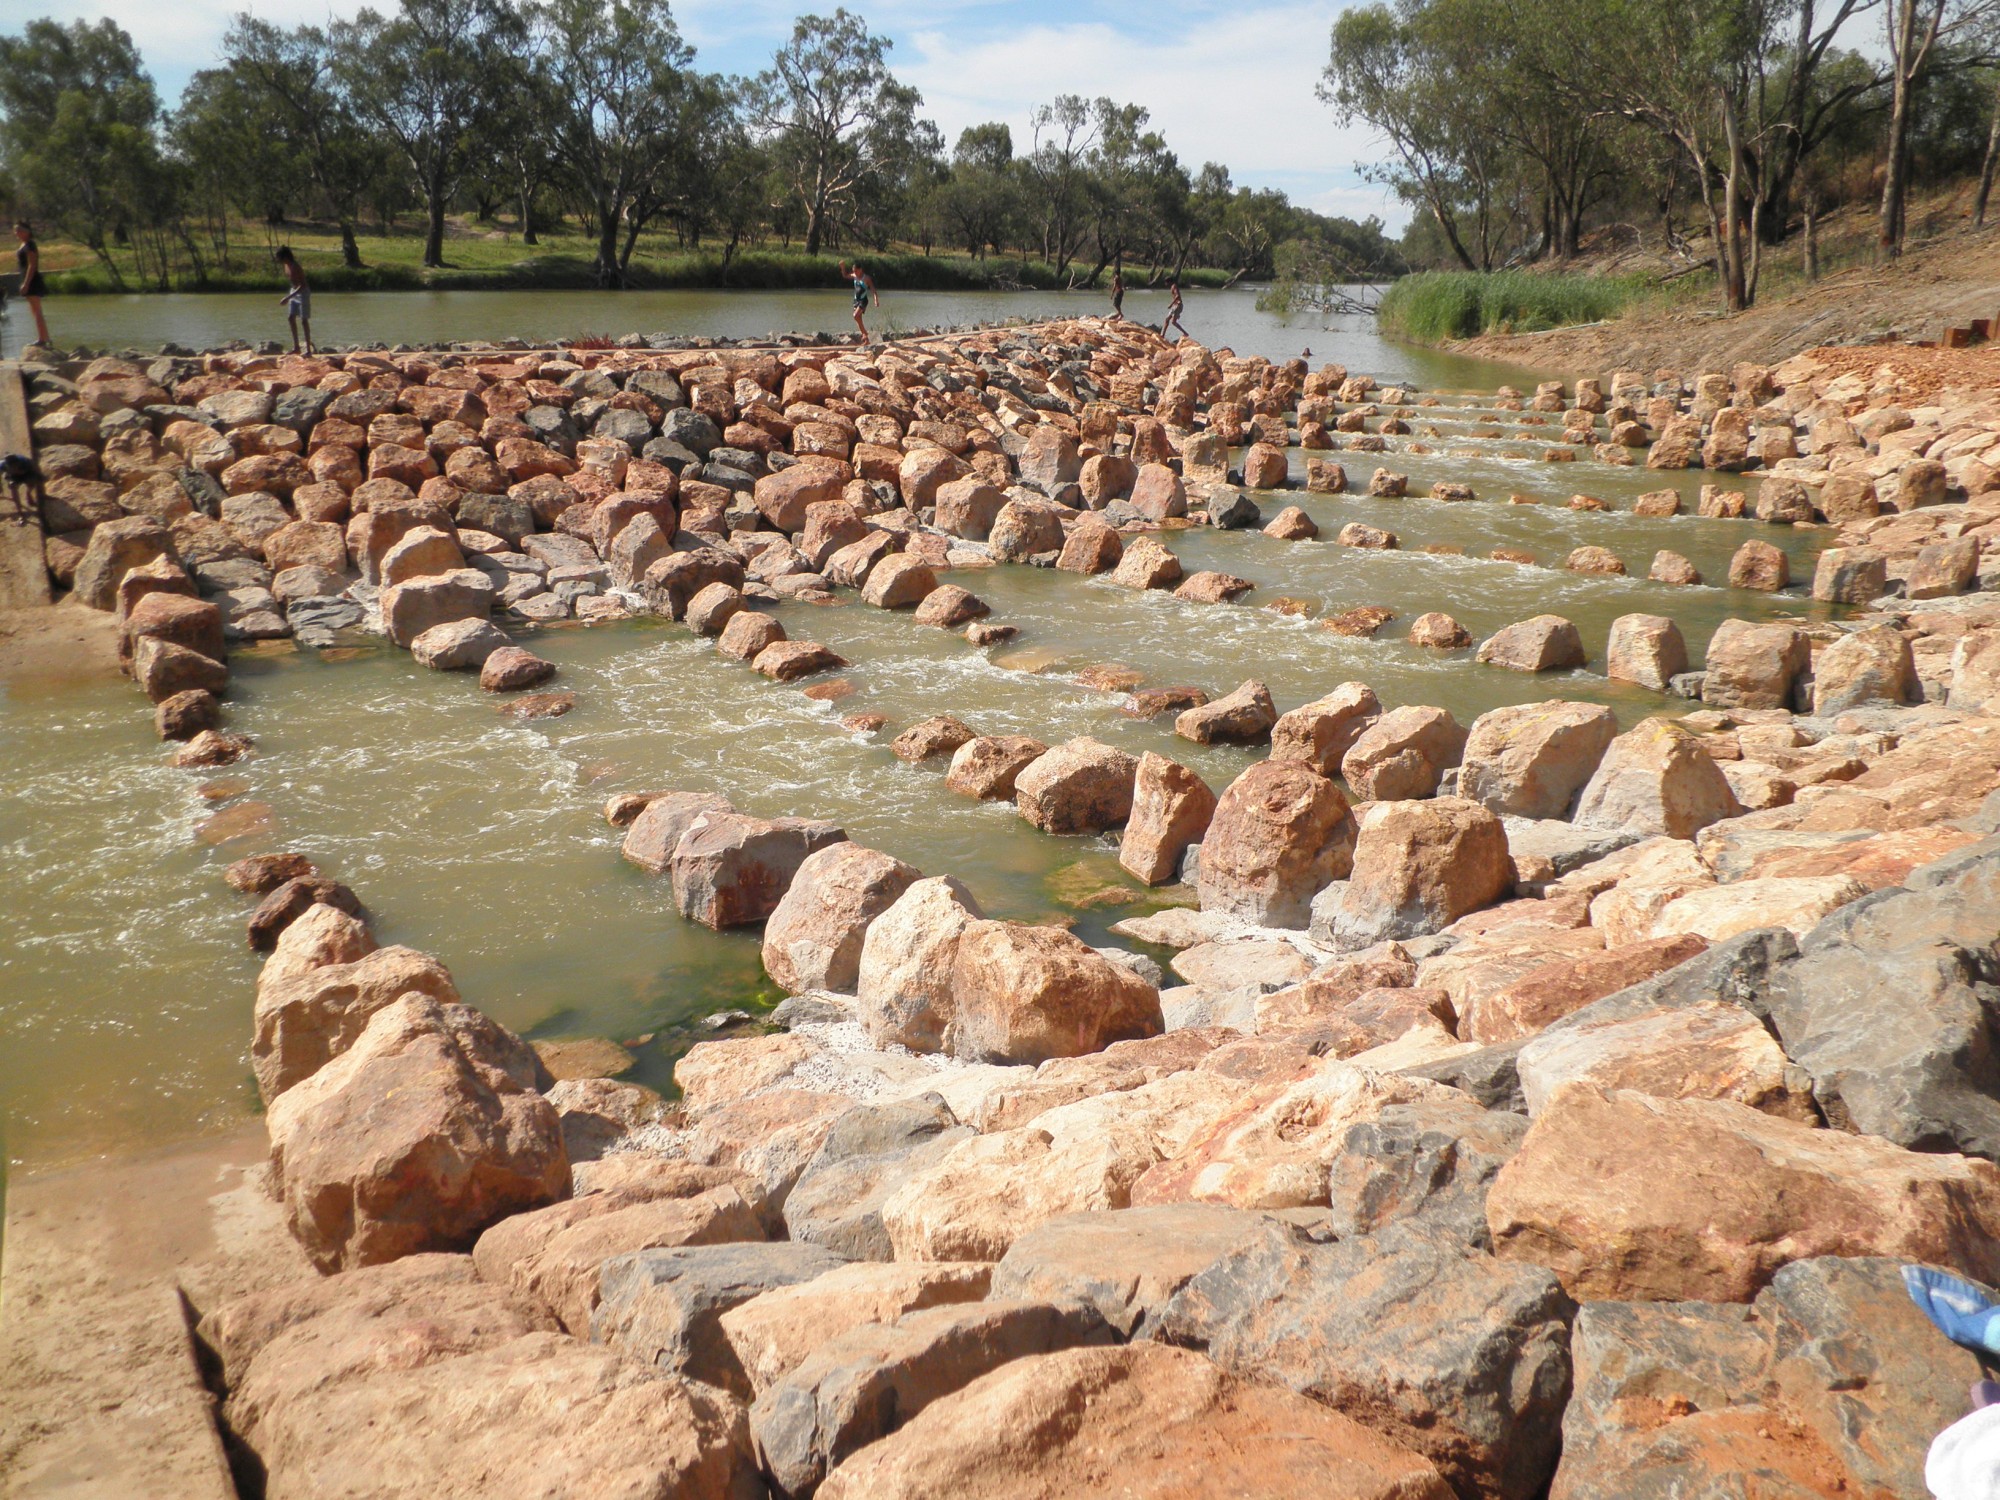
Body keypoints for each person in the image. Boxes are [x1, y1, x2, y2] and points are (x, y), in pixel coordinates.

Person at [14, 222, 49, 346]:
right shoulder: (24, 245)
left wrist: (26, 283)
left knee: (37, 309)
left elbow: (32, 265)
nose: (17, 233)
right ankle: (45, 337)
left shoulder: (30, 244)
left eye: (19, 230)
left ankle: (43, 339)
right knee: (34, 310)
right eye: (16, 231)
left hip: (32, 280)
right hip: (26, 279)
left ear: (27, 231)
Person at [275, 246, 313, 354]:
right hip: (294, 290)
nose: (278, 260)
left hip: (303, 292)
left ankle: (308, 350)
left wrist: (288, 297)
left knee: (304, 320)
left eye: (279, 258)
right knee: (291, 318)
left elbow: (303, 285)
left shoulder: (296, 267)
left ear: (285, 257)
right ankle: (296, 347)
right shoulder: (286, 266)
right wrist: (290, 295)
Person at [840, 260, 876, 343]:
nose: (854, 272)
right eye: (853, 271)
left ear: (860, 270)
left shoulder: (866, 278)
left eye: (856, 270)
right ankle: (866, 338)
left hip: (863, 300)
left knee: (855, 316)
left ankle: (865, 333)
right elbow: (845, 275)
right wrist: (842, 268)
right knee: (858, 319)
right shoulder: (854, 276)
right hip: (856, 300)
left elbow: (873, 289)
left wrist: (875, 300)